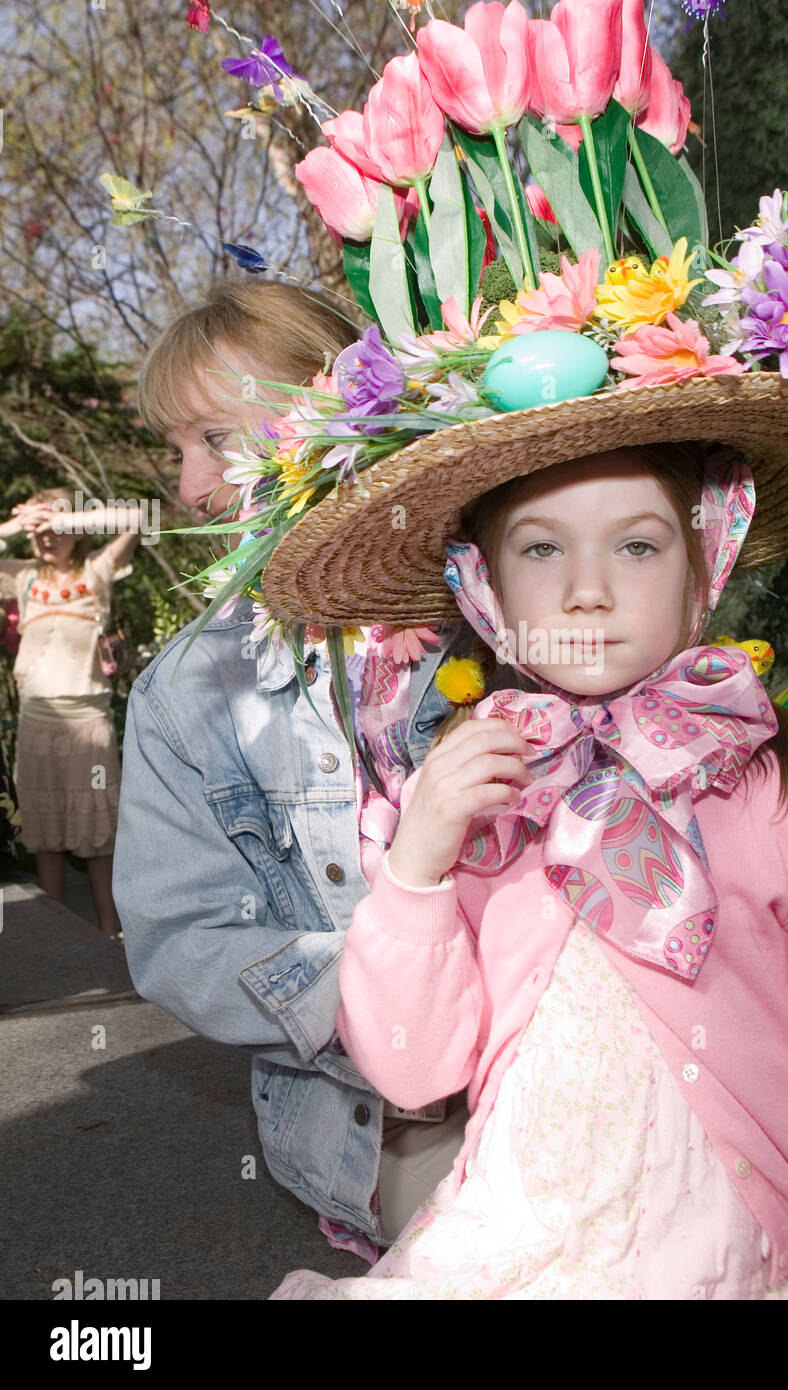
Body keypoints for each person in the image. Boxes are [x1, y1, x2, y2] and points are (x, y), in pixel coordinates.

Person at [262, 436, 788, 1300]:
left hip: (746, 1252)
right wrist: (416, 865)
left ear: (706, 562)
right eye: (542, 548)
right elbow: (413, 1072)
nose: (587, 590)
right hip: (523, 1236)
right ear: (484, 588)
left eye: (638, 545)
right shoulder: (466, 786)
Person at [113, 279, 474, 1264]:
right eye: (177, 450)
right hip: (396, 1119)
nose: (189, 487)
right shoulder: (185, 697)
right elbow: (179, 936)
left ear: (337, 414)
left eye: (216, 440)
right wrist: (390, 997)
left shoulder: (501, 596)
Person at [0, 489, 141, 935]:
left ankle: (109, 932)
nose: (46, 537)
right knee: (44, 828)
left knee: (98, 823)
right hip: (37, 721)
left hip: (90, 724)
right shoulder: (22, 577)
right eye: (39, 531)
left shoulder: (97, 570)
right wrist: (15, 525)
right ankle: (57, 934)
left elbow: (136, 518)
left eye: (56, 528)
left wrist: (72, 515)